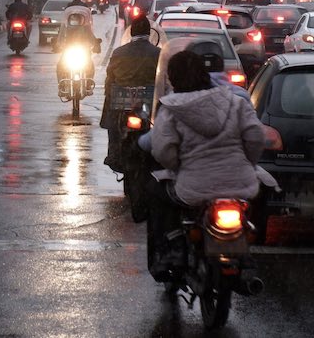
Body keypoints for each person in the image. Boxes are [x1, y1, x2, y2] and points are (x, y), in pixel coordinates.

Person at [147, 50, 267, 272]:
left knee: (156, 192)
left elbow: (164, 151)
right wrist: (247, 163)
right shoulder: (234, 101)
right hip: (240, 183)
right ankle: (249, 250)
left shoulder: (172, 108)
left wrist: (178, 168)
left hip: (192, 188)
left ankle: (172, 249)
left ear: (172, 78)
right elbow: (256, 137)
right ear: (205, 74)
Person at [101, 16, 160, 172]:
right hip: (147, 105)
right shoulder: (158, 53)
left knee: (112, 117)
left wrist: (110, 94)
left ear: (131, 32)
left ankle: (113, 152)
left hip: (121, 104)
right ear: (149, 33)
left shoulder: (119, 52)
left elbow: (110, 79)